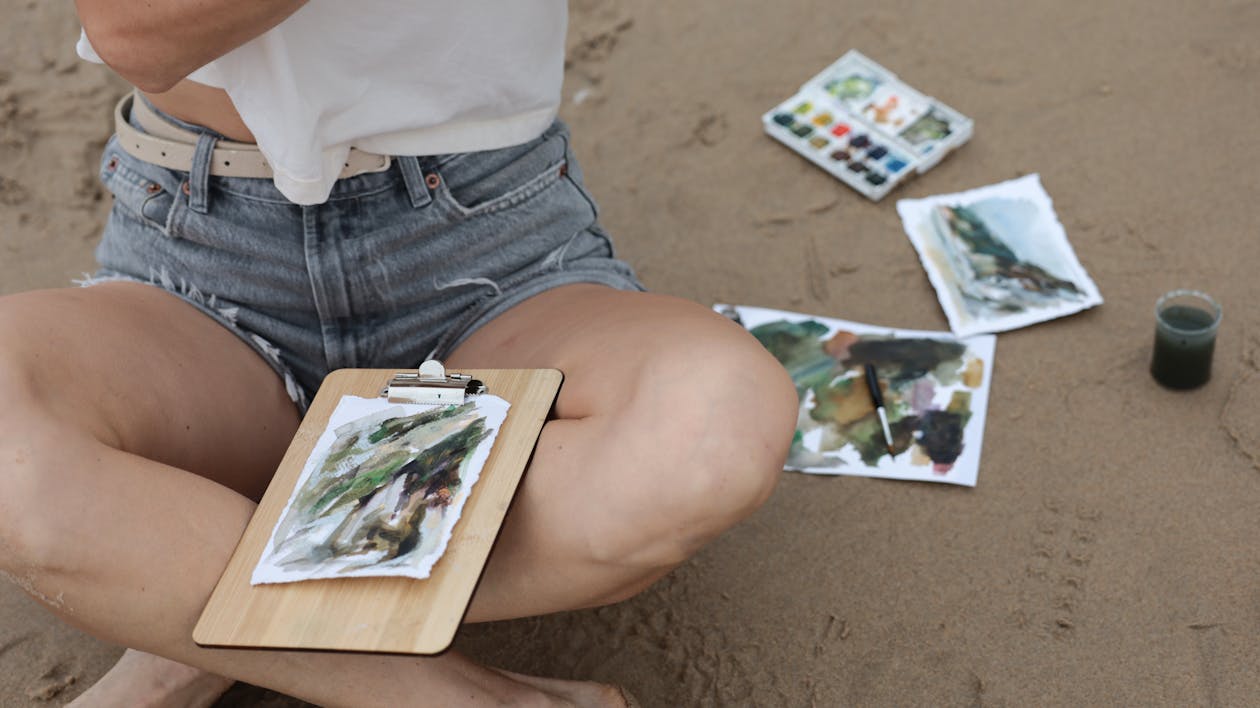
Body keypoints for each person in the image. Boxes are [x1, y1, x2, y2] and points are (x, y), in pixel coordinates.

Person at [0, 2, 797, 705]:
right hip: (200, 244)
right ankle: (445, 695)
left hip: (488, 240)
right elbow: (138, 29)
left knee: (708, 432)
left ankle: (186, 600)